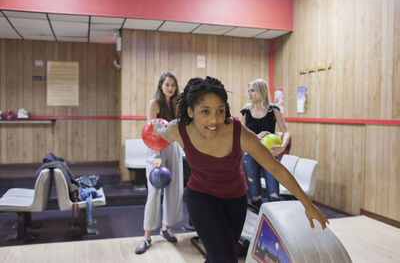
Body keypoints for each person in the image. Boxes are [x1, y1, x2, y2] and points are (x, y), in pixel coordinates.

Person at [152, 76, 328, 263]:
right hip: (201, 197)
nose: (214, 119)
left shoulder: (240, 134)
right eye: (205, 111)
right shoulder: (179, 129)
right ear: (190, 111)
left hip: (234, 200)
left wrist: (307, 204)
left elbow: (276, 169)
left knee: (217, 256)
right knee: (226, 258)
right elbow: (160, 130)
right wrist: (155, 129)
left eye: (220, 111)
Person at [135, 72, 184, 254]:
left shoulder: (177, 104)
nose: (170, 88)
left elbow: (179, 129)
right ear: (161, 86)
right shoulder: (154, 103)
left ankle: (166, 228)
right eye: (167, 85)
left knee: (174, 191)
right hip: (156, 148)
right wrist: (156, 156)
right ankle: (147, 237)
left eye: (173, 85)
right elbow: (151, 131)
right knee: (154, 192)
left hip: (173, 148)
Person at [240, 78, 291, 209]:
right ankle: (258, 225)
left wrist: (282, 147)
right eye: (249, 91)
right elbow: (240, 135)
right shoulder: (245, 111)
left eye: (253, 91)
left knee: (274, 194)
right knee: (255, 195)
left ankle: (273, 225)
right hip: (250, 156)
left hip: (270, 155)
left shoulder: (273, 110)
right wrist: (255, 137)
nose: (250, 94)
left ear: (261, 91)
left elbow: (286, 132)